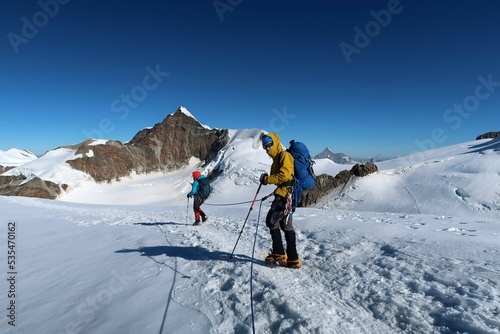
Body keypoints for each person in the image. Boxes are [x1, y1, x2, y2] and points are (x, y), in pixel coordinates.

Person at [260, 133, 301, 268]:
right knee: (285, 225)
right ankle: (293, 259)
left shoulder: (284, 156)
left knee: (271, 221)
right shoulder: (277, 158)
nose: (266, 148)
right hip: (287, 194)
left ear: (275, 143)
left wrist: (267, 179)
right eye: (264, 146)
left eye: (268, 145)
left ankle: (279, 253)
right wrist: (270, 179)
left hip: (285, 196)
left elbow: (284, 176)